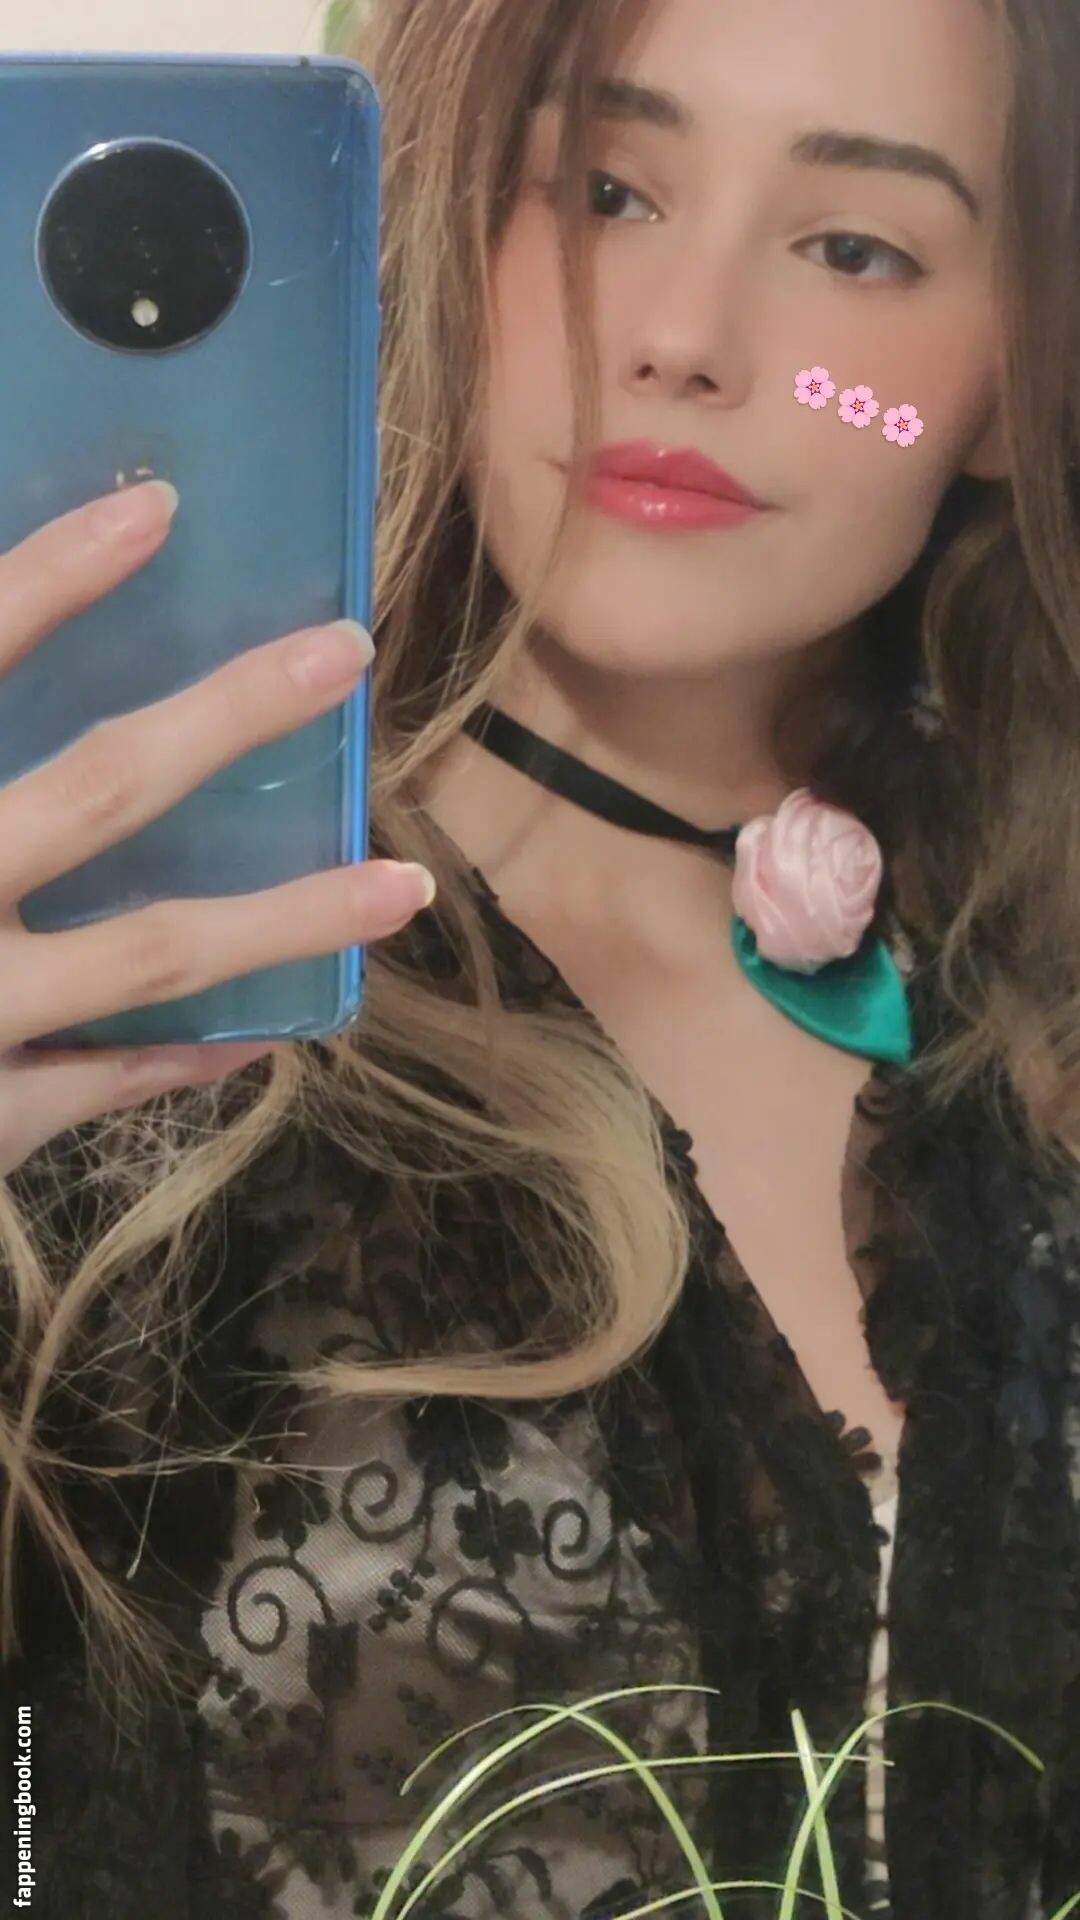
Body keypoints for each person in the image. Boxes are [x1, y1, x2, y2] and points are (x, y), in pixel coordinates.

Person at [2, 0, 1080, 1914]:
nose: (685, 335)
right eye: (602, 189)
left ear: (1011, 370)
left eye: (855, 247)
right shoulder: (117, 998)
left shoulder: (1028, 1016)